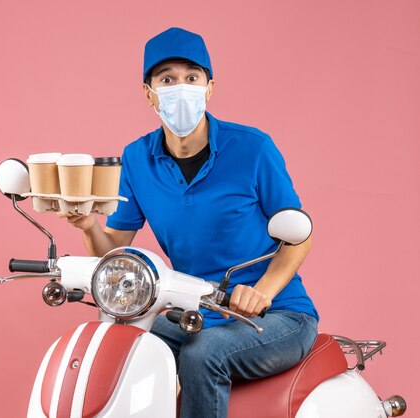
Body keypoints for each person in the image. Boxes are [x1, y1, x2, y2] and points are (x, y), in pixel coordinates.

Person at [64, 27, 319, 418]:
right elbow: (114, 247)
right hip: (195, 312)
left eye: (191, 77)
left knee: (204, 353)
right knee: (119, 337)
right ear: (148, 92)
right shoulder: (136, 158)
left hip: (277, 315)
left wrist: (263, 292)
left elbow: (298, 236)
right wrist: (87, 227)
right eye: (167, 79)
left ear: (209, 87)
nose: (180, 87)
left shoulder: (253, 147)